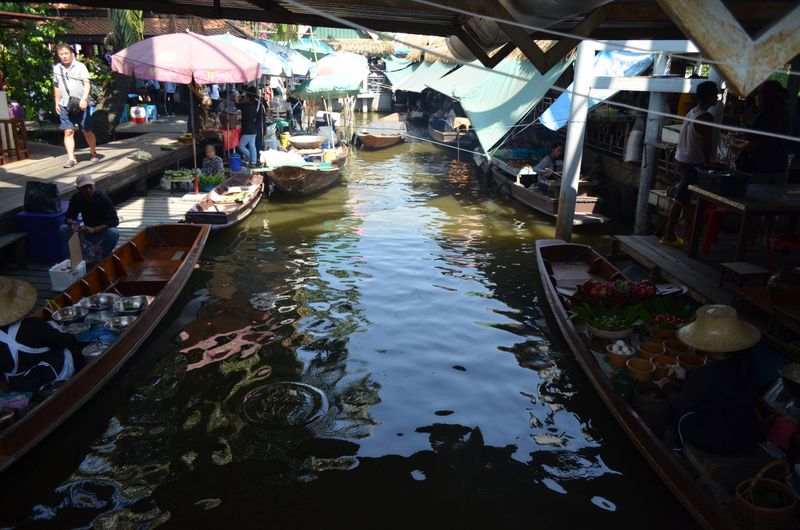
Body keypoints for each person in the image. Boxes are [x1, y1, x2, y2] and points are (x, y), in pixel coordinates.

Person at [665, 305, 762, 455]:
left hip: (724, 439)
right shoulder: (744, 363)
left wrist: (667, 386)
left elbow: (680, 404)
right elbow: (719, 387)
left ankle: (680, 451)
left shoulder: (707, 373)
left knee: (682, 416)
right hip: (747, 432)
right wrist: (685, 376)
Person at [660, 80, 719, 247]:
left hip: (682, 159)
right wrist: (708, 164)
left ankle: (676, 234)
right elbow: (706, 145)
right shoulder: (706, 117)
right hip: (693, 163)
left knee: (682, 198)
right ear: (708, 95)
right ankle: (669, 235)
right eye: (715, 93)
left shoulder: (692, 112)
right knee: (681, 200)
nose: (717, 96)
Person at [0, 277, 80, 393]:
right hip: (50, 376)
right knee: (70, 347)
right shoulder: (34, 325)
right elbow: (66, 342)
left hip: (19, 386)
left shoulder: (34, 326)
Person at [52, 43, 98, 169]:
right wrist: (56, 102)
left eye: (66, 53)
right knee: (68, 131)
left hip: (80, 104)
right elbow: (56, 86)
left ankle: (93, 152)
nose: (64, 56)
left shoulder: (80, 66)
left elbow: (87, 84)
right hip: (64, 104)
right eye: (61, 54)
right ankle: (71, 158)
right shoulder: (57, 68)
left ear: (72, 53)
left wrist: (84, 99)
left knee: (86, 130)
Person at [59, 174, 120, 264]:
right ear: (78, 189)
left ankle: (102, 257)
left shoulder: (103, 199)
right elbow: (69, 217)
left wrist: (94, 230)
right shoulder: (76, 198)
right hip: (86, 233)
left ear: (94, 185)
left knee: (113, 233)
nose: (87, 190)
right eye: (84, 187)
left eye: (89, 186)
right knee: (63, 229)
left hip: (102, 232)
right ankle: (82, 255)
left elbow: (114, 221)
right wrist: (73, 224)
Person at [237, 87, 259, 167]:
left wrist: (238, 99)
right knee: (252, 146)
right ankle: (253, 162)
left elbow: (236, 106)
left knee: (241, 146)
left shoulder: (245, 106)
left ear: (248, 98)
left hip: (247, 130)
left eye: (245, 97)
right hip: (254, 129)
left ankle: (251, 158)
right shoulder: (254, 106)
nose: (244, 98)